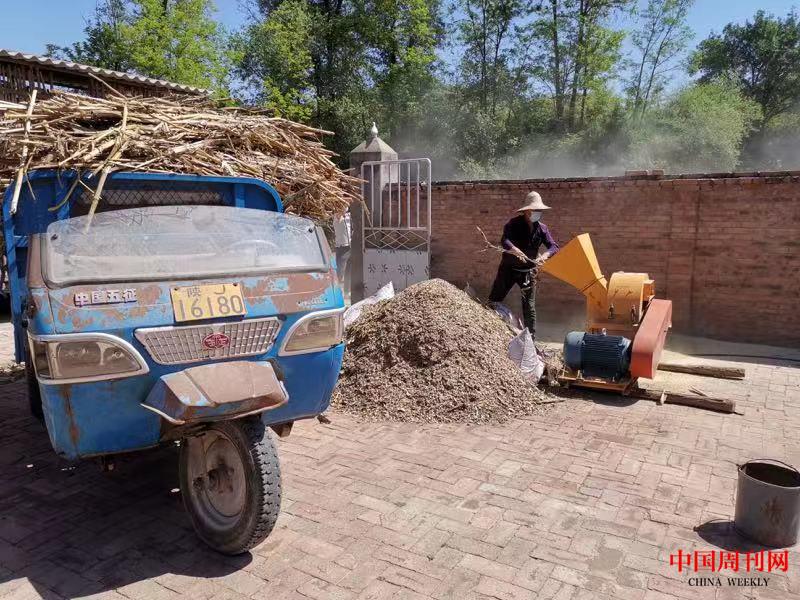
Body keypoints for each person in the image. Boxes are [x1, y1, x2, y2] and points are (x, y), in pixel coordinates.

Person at [488, 191, 559, 340]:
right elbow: (505, 240)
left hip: (527, 271)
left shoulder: (542, 229)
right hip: (508, 269)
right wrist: (514, 250)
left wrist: (545, 255)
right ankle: (488, 332)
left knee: (529, 306)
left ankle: (530, 338)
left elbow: (554, 246)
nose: (537, 213)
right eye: (535, 210)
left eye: (539, 211)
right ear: (526, 210)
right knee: (495, 299)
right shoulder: (513, 224)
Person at [333, 211, 352, 300]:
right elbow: (339, 215)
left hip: (351, 246)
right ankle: (336, 293)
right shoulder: (337, 216)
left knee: (349, 272)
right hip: (342, 247)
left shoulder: (349, 216)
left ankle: (346, 293)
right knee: (340, 272)